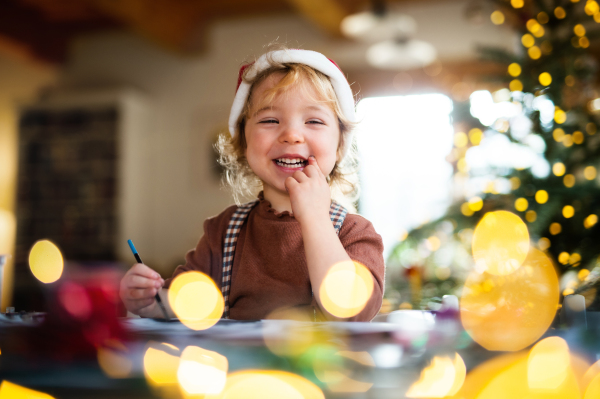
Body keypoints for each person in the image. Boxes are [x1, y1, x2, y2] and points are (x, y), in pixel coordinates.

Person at [119, 47, 385, 321]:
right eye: (270, 120)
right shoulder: (223, 232)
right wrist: (149, 301)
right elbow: (184, 301)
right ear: (244, 143)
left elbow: (352, 311)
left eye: (314, 121)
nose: (292, 135)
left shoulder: (355, 233)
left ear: (340, 145)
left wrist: (315, 218)